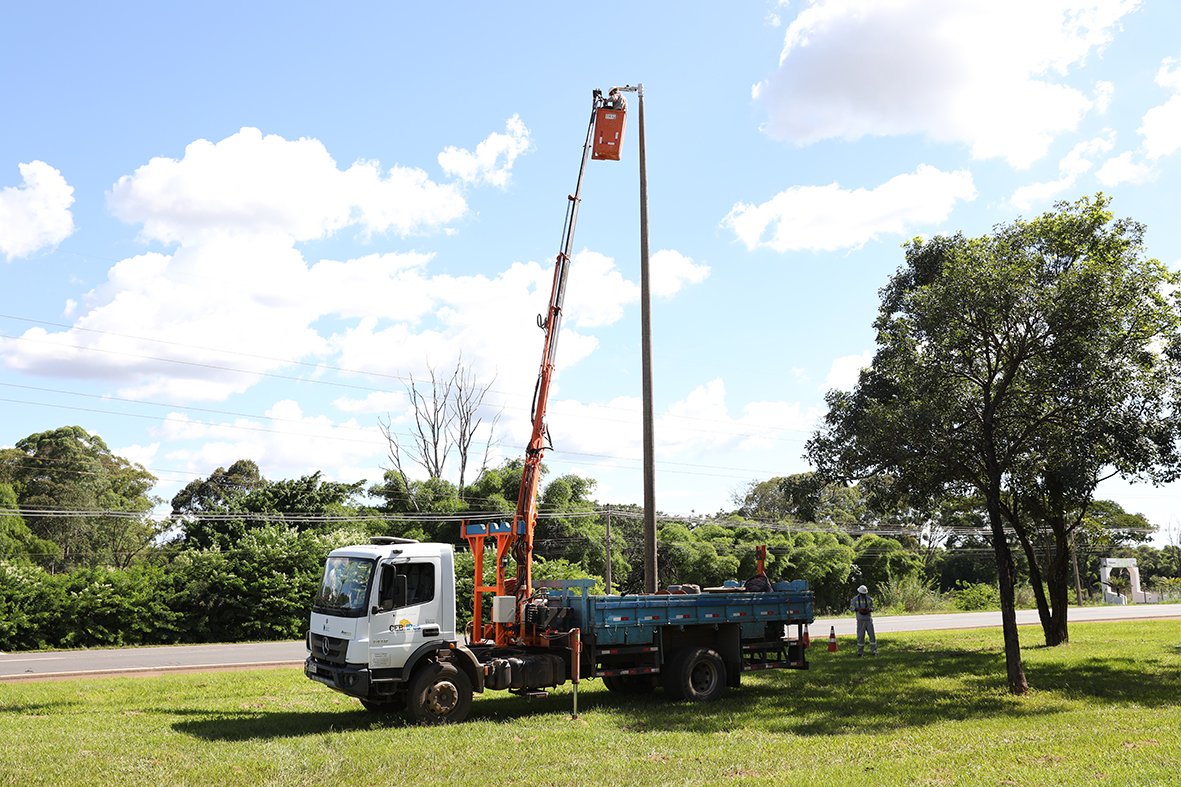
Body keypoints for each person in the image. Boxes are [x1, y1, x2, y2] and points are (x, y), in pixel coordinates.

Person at [849, 584, 877, 656]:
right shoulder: (855, 599)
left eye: (864, 594)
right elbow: (851, 608)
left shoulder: (869, 599)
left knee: (872, 636)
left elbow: (873, 607)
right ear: (859, 592)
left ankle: (874, 651)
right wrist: (858, 609)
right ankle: (860, 652)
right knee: (860, 637)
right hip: (860, 620)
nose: (863, 595)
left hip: (868, 620)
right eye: (862, 594)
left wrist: (869, 610)